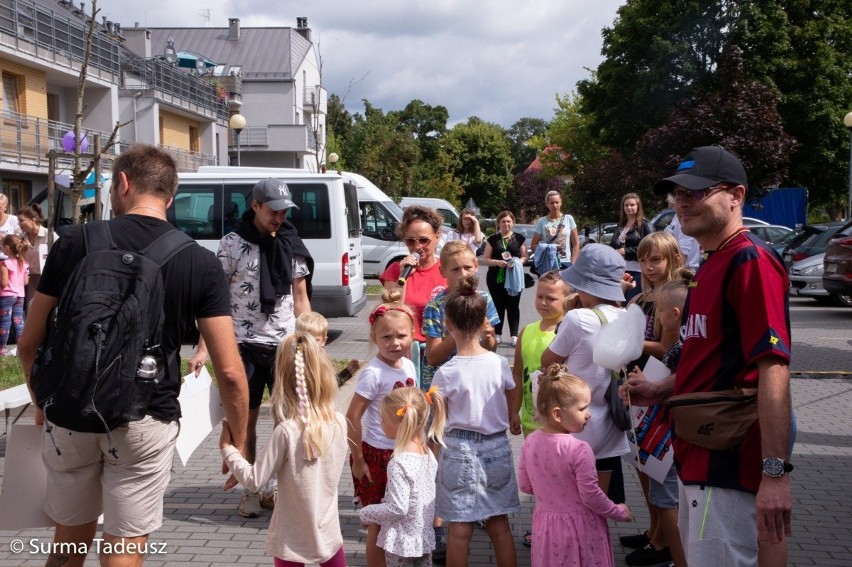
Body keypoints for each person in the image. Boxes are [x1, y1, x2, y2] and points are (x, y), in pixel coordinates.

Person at [18, 143, 249, 567]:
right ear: (171, 196)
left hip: (69, 414)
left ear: (122, 183)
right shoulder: (199, 262)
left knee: (68, 543)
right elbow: (231, 372)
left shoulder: (74, 242)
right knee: (123, 546)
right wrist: (237, 440)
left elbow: (28, 342)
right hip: (144, 416)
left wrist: (42, 402)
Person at [625, 145, 793, 566]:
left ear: (735, 196)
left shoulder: (749, 261)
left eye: (698, 192)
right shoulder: (711, 263)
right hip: (699, 453)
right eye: (677, 192)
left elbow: (773, 369)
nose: (683, 201)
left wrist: (774, 474)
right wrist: (661, 389)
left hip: (728, 461)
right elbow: (710, 358)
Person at [191, 177, 313, 518]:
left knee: (286, 419)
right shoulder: (231, 245)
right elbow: (213, 303)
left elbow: (301, 298)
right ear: (255, 206)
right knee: (244, 421)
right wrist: (203, 349)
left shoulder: (291, 242)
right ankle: (250, 488)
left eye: (284, 210)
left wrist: (310, 342)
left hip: (284, 344)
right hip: (240, 343)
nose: (279, 217)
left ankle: (274, 488)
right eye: (272, 210)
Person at [220, 332, 347, 567]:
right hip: (329, 530)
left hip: (291, 535)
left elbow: (254, 480)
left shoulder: (287, 431)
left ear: (282, 379)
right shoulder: (339, 422)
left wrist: (228, 450)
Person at [432, 275, 520, 567]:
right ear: (485, 321)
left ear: (449, 325)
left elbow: (438, 418)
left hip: (458, 449)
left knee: (459, 527)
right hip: (496, 446)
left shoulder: (447, 371)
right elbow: (510, 397)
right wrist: (512, 418)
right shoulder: (498, 363)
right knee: (499, 524)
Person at [518, 367, 632, 566]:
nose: (588, 415)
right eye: (582, 409)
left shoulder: (530, 442)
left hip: (546, 529)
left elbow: (526, 486)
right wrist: (618, 511)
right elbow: (591, 496)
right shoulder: (580, 449)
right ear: (557, 414)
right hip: (582, 529)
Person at [540, 244, 630, 497]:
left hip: (575, 426)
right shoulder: (625, 317)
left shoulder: (578, 319)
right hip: (611, 426)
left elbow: (547, 361)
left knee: (569, 500)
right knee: (601, 504)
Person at [346, 291, 424, 567]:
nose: (394, 343)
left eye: (401, 336)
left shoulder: (411, 365)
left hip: (407, 455)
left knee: (405, 517)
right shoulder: (373, 373)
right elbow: (352, 417)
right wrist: (357, 460)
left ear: (413, 334)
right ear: (374, 338)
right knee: (377, 525)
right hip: (378, 457)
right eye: (386, 337)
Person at [623, 275, 691, 567]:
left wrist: (643, 383)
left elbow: (670, 388)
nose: (657, 317)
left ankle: (674, 555)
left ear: (674, 315)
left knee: (667, 501)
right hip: (668, 437)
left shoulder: (679, 349)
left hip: (665, 439)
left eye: (660, 311)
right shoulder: (687, 344)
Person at [509, 269, 575, 548]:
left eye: (551, 298)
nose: (543, 302)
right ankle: (542, 526)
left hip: (561, 423)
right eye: (539, 296)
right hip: (530, 418)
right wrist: (513, 411)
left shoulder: (569, 330)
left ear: (567, 299)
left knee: (562, 477)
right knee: (539, 476)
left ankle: (565, 528)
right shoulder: (527, 331)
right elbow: (517, 373)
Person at [359, 385, 447, 567]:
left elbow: (398, 508)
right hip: (422, 537)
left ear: (398, 425)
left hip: (402, 542)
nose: (380, 423)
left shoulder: (398, 463)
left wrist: (367, 513)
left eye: (382, 419)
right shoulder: (427, 453)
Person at [380, 205, 447, 380]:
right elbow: (391, 313)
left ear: (437, 237)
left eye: (424, 240)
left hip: (440, 354)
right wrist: (404, 277)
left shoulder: (447, 269)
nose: (418, 247)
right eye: (411, 241)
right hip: (405, 354)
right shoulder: (396, 270)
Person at [422, 240, 499, 389]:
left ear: (476, 266)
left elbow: (491, 349)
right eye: (455, 269)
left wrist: (487, 336)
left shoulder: (483, 300)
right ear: (443, 271)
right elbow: (432, 358)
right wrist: (459, 331)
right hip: (443, 385)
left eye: (467, 267)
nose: (463, 274)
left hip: (473, 379)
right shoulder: (435, 306)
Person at [482, 211, 528, 346]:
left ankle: (514, 335)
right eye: (503, 221)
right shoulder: (493, 239)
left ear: (513, 223)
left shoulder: (519, 238)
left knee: (513, 305)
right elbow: (485, 259)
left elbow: (525, 256)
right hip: (496, 277)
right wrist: (497, 262)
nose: (506, 224)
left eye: (508, 221)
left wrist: (518, 262)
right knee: (498, 305)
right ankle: (498, 333)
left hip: (514, 277)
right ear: (498, 223)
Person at [295, 311, 361, 387]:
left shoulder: (322, 359)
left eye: (316, 340)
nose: (310, 344)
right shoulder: (292, 359)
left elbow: (329, 386)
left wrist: (347, 372)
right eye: (305, 339)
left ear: (324, 341)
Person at [609, 193, 654, 301]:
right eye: (626, 205)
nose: (629, 208)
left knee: (632, 302)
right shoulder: (620, 226)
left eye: (632, 205)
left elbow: (652, 247)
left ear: (638, 206)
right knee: (618, 303)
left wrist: (626, 251)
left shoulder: (645, 225)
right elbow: (612, 245)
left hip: (638, 271)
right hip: (620, 272)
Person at [17, 203, 57, 311]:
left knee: (48, 310)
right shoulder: (21, 237)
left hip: (48, 277)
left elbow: (60, 255)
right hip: (32, 277)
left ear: (33, 220)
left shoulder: (49, 235)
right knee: (30, 308)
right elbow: (17, 259)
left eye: (21, 220)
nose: (19, 224)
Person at [530, 189, 580, 268]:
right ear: (547, 204)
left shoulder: (568, 219)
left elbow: (576, 244)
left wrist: (573, 262)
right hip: (547, 263)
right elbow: (533, 245)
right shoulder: (541, 221)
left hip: (565, 262)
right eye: (552, 203)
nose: (555, 205)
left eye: (557, 202)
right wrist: (545, 248)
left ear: (561, 202)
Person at [0, 234, 28, 355]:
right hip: (20, 296)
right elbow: (26, 281)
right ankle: (20, 349)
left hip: (6, 296)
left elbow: (4, 282)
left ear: (7, 248)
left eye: (1, 246)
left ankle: (2, 349)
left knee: (5, 322)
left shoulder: (4, 264)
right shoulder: (23, 262)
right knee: (19, 321)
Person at [663, 194, 701, 271]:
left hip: (685, 270)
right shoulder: (676, 217)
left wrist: (673, 271)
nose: (666, 200)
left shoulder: (684, 218)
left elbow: (684, 248)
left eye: (669, 196)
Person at [0, 193, 20, 261]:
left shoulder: (13, 219)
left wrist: (6, 238)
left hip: (9, 260)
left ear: (5, 206)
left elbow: (20, 240)